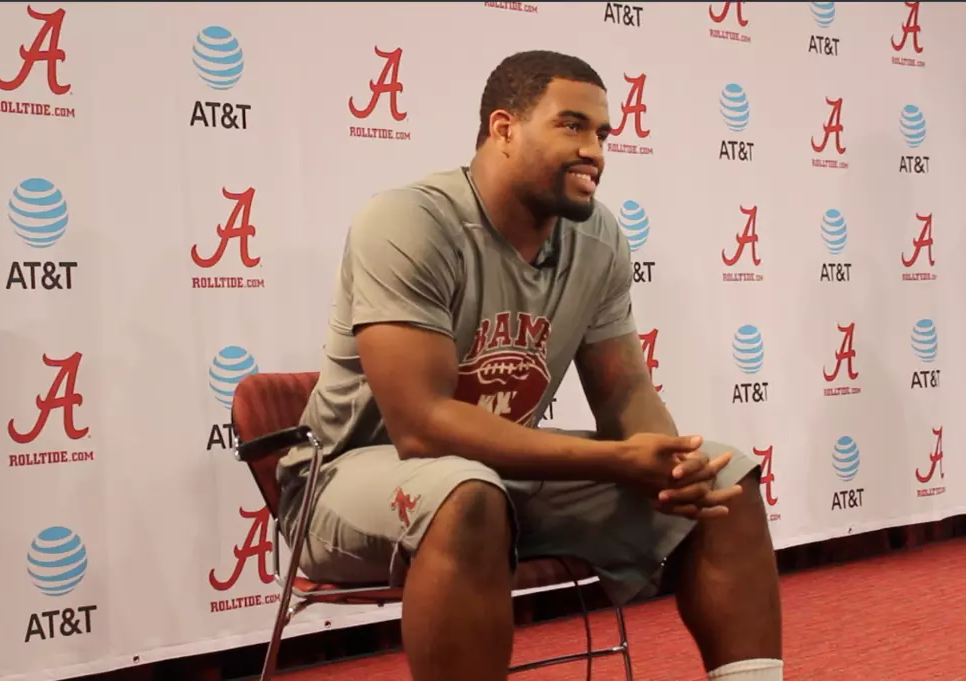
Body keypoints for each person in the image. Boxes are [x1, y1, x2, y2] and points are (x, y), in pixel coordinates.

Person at [277, 50, 783, 681]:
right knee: (465, 496)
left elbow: (626, 396)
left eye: (602, 134)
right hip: (344, 479)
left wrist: (669, 463)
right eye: (572, 125)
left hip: (498, 475)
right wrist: (617, 461)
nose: (594, 150)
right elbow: (421, 426)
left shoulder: (598, 240)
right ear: (504, 128)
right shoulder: (411, 221)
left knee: (725, 482)